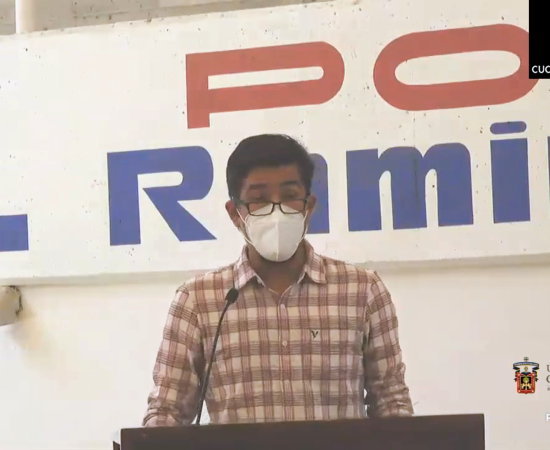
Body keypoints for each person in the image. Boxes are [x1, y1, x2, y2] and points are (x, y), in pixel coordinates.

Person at [142, 134, 413, 426]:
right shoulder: (198, 300)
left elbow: (392, 404)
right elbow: (166, 412)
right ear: (235, 214)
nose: (276, 211)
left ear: (309, 206)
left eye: (289, 196)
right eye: (259, 199)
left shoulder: (363, 291)